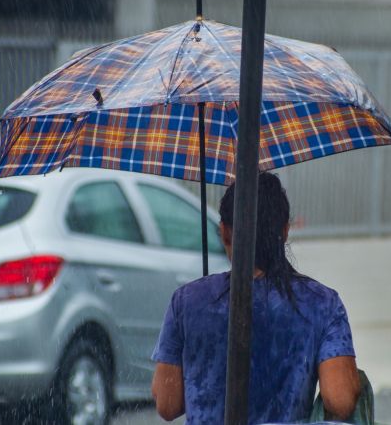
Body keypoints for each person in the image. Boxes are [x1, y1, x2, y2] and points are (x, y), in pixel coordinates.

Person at [151, 172, 360, 424]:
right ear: (284, 230)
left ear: (225, 232)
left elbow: (167, 403)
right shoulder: (323, 304)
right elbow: (341, 399)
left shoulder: (186, 302)